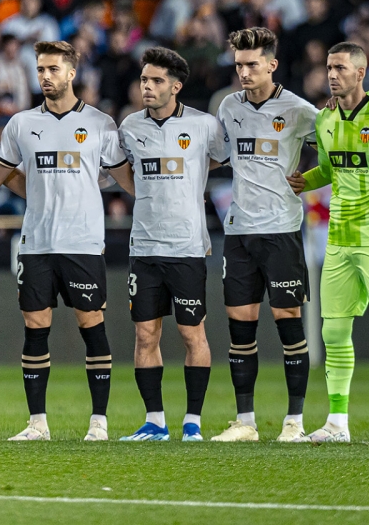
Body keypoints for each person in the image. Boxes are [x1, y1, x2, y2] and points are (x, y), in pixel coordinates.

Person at [0, 40, 134, 442]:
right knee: (35, 328)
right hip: (36, 244)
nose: (45, 76)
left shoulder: (100, 124)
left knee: (92, 327)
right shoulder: (21, 124)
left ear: (72, 73)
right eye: (40, 69)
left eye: (53, 69)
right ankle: (37, 423)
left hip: (82, 243)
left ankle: (99, 423)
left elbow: (129, 182)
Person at [287, 41, 369, 444]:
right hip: (340, 241)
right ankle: (337, 422)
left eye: (341, 68)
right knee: (332, 333)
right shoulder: (324, 121)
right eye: (329, 67)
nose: (332, 74)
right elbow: (329, 170)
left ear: (361, 73)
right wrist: (302, 182)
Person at [209, 28, 317, 443]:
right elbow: (220, 155)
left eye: (252, 64)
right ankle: (246, 422)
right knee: (241, 329)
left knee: (289, 323)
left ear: (272, 65)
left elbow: (333, 150)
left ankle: (294, 422)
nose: (244, 72)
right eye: (239, 64)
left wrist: (309, 179)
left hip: (281, 231)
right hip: (239, 232)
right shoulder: (228, 106)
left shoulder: (298, 110)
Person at [116, 47, 230, 442]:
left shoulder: (203, 126)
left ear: (176, 86)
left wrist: (194, 172)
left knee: (191, 334)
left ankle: (193, 423)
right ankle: (155, 421)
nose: (147, 86)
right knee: (145, 335)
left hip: (186, 249)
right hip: (144, 249)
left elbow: (223, 158)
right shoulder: (129, 127)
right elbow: (121, 170)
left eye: (157, 81)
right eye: (144, 79)